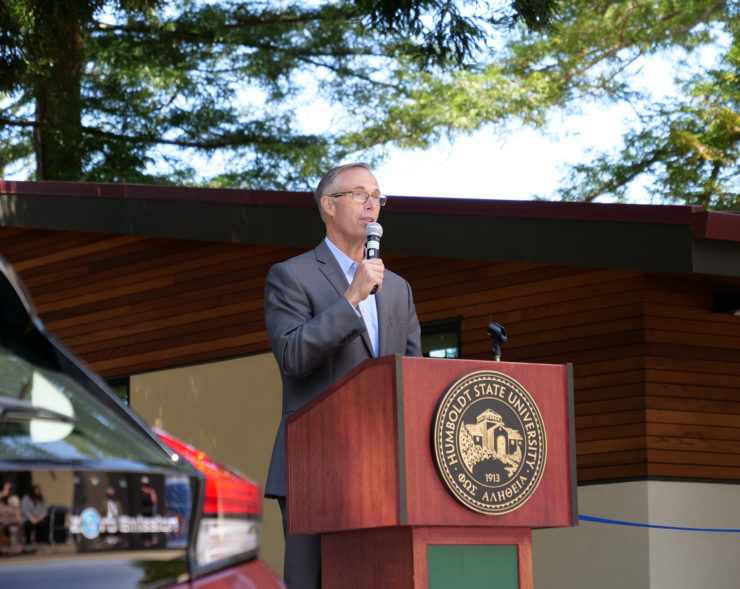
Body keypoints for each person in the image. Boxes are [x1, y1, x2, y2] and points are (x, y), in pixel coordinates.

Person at [263, 162, 422, 588]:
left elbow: (413, 378)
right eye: (359, 194)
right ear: (327, 206)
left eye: (378, 196)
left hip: (387, 472)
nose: (372, 203)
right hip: (315, 469)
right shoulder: (291, 276)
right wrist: (351, 298)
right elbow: (293, 355)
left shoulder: (399, 288)